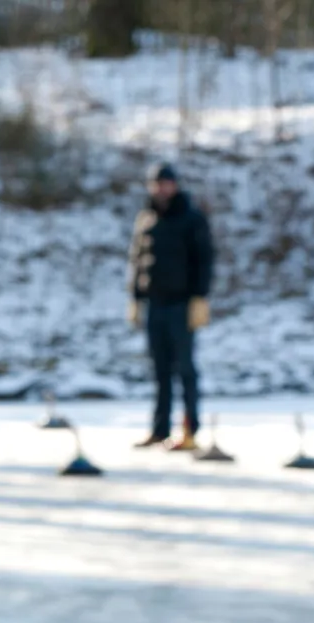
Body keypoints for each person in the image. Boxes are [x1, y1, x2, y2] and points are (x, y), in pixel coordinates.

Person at [128, 162, 214, 451]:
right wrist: (135, 297)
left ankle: (190, 430)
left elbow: (204, 260)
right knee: (160, 370)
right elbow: (138, 260)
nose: (162, 188)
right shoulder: (147, 218)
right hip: (155, 304)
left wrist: (200, 297)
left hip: (181, 305)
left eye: (166, 183)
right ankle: (159, 429)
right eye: (157, 183)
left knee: (185, 369)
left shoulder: (191, 218)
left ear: (175, 185)